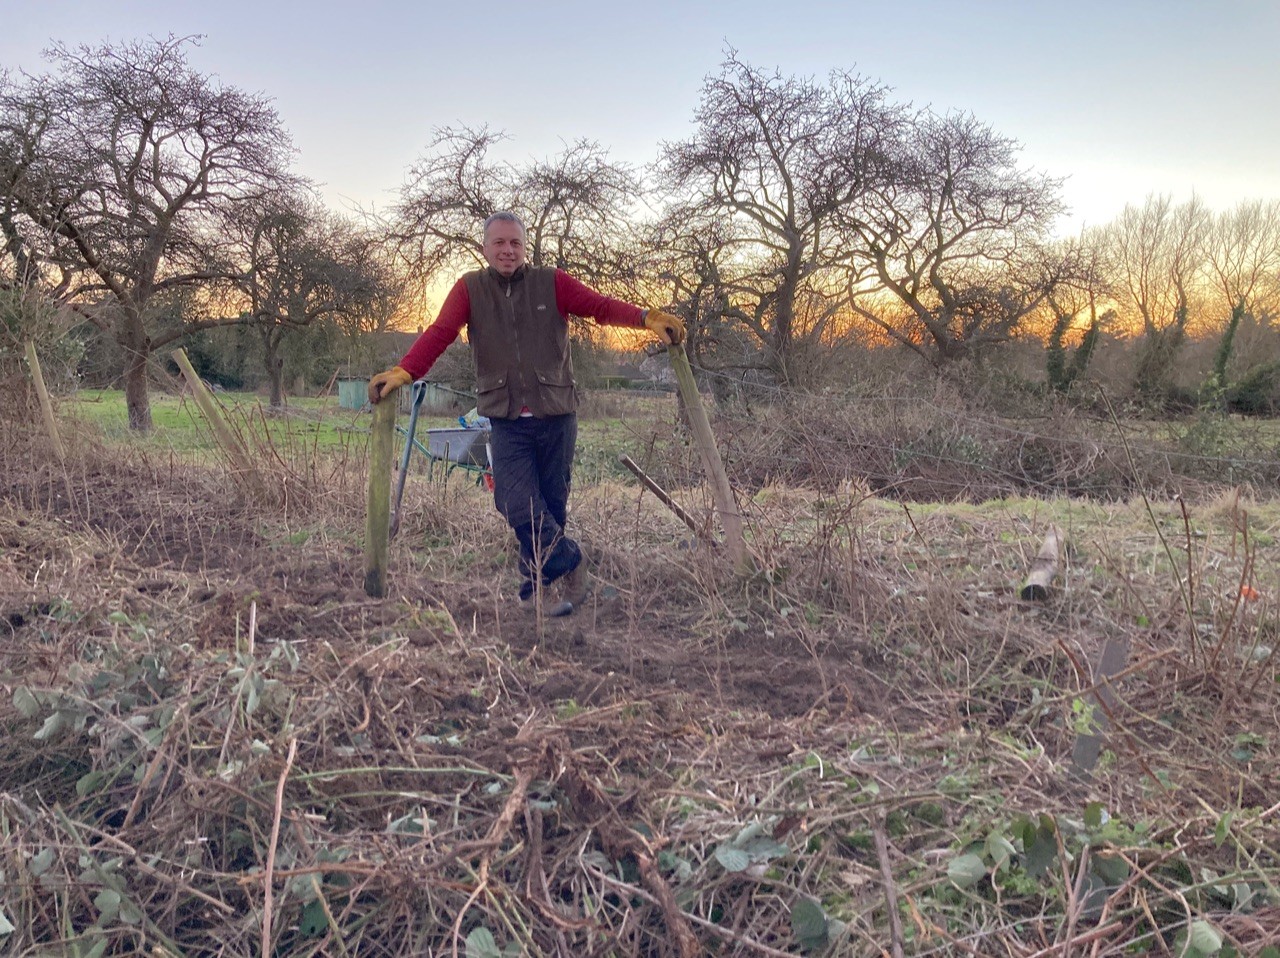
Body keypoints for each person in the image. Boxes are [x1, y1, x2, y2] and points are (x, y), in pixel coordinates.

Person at [368, 211, 685, 611]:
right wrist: (405, 371)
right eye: (499, 243)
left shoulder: (551, 282)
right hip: (506, 419)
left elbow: (600, 307)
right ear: (485, 248)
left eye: (515, 243)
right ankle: (571, 559)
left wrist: (646, 318)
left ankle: (538, 591)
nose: (508, 250)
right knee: (515, 502)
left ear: (525, 247)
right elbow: (440, 333)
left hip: (557, 414)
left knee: (550, 507)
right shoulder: (470, 289)